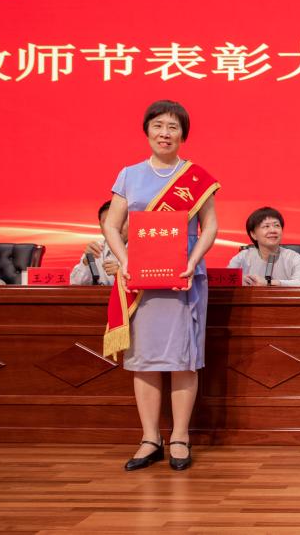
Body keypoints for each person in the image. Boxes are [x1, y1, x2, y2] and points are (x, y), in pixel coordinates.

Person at [102, 100, 220, 472]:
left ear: (183, 134)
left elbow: (210, 226)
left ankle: (180, 437)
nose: (164, 133)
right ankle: (150, 438)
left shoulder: (197, 178)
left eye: (172, 127)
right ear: (147, 131)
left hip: (182, 278)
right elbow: (111, 225)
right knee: (144, 360)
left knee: (183, 359)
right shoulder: (129, 175)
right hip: (140, 281)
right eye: (158, 125)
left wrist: (193, 261)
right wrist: (125, 260)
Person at [227, 207, 300, 286]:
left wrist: (269, 283)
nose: (273, 230)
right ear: (253, 234)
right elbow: (224, 279)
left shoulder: (293, 257)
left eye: (277, 225)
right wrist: (238, 280)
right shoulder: (243, 257)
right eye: (266, 226)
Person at [70, 200, 126, 286]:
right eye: (108, 222)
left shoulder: (142, 249)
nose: (115, 227)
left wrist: (123, 274)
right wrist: (87, 261)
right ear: (101, 228)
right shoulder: (96, 249)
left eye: (120, 220)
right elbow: (75, 284)